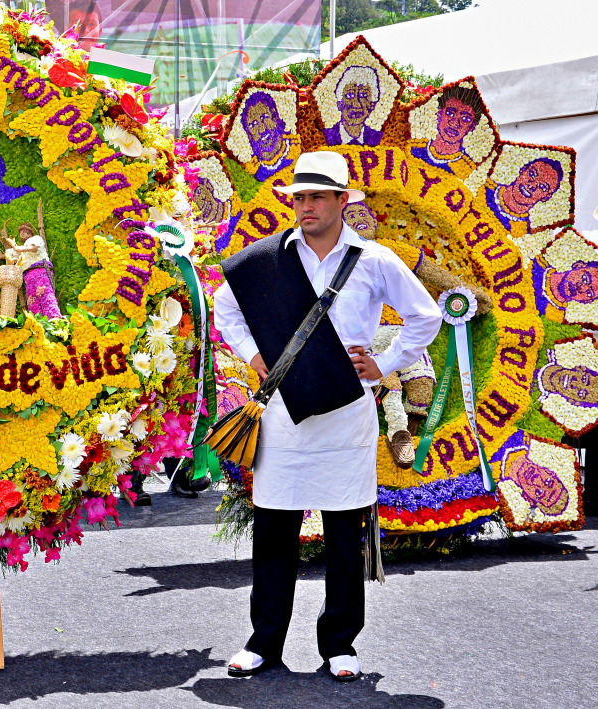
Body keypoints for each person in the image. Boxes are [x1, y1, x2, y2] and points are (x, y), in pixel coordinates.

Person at [213, 151, 441, 681]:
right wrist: (252, 356)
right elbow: (225, 309)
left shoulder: (375, 260)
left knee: (344, 534)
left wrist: (381, 364)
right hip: (285, 414)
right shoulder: (263, 260)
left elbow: (425, 316)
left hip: (346, 412)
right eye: (299, 196)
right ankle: (263, 642)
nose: (306, 205)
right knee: (274, 530)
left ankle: (340, 644)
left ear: (343, 200)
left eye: (318, 195)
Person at [409, 86, 483, 178]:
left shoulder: (467, 171)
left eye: (465, 119)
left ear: (472, 126)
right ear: (439, 113)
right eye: (450, 113)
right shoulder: (412, 148)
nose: (455, 123)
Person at [484, 158, 563, 236]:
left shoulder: (522, 235)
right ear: (523, 169)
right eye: (532, 174)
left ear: (546, 197)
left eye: (542, 187)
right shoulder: (482, 186)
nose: (532, 185)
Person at [324, 66, 382, 146]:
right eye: (349, 95)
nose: (356, 105)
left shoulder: (378, 139)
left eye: (363, 95)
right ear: (339, 103)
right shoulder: (326, 136)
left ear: (372, 104)